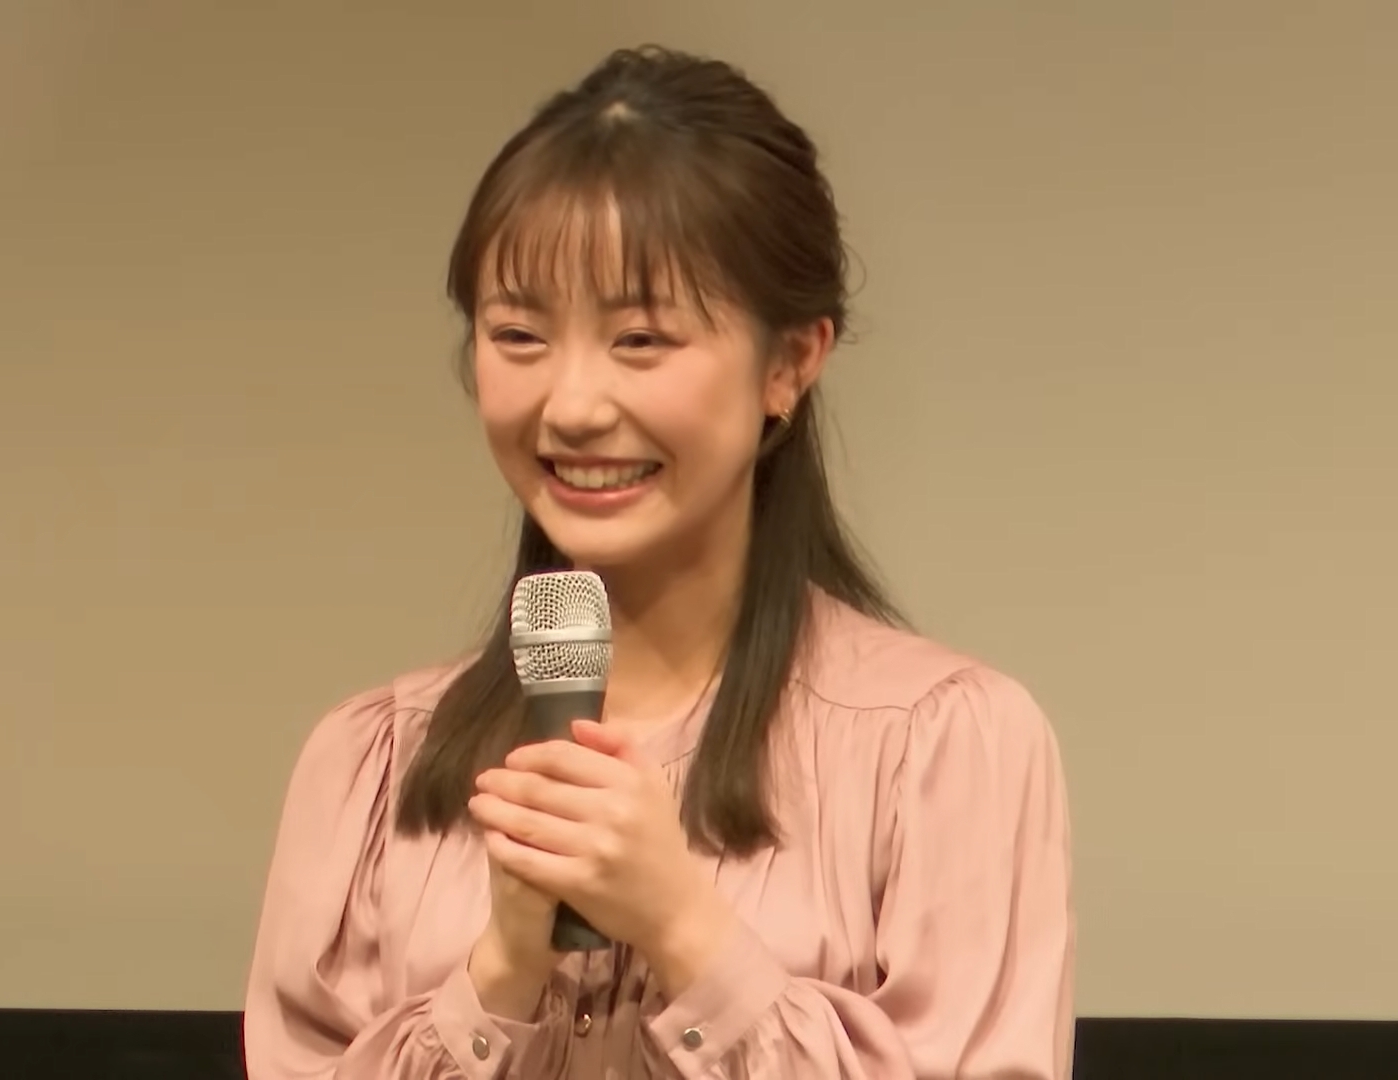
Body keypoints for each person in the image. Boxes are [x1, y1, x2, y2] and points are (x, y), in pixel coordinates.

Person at [243, 44, 1075, 1080]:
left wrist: (683, 927)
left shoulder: (941, 748)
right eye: (518, 335)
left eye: (640, 340)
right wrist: (499, 973)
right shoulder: (371, 768)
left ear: (790, 362)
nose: (572, 407)